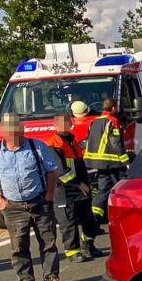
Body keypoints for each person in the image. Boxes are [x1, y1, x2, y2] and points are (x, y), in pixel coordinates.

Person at [0, 113, 69, 281]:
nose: (14, 134)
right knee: (19, 246)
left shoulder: (37, 146)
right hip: (12, 207)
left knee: (48, 242)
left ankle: (52, 277)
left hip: (39, 202)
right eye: (10, 131)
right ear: (3, 133)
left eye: (17, 130)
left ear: (21, 130)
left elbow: (51, 172)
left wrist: (49, 196)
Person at [46, 114, 100, 263]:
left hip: (81, 188)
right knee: (68, 223)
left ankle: (89, 245)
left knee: (88, 219)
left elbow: (80, 164)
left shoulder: (72, 140)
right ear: (56, 125)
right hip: (64, 191)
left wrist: (86, 182)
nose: (66, 126)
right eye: (62, 124)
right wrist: (78, 184)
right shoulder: (53, 143)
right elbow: (60, 171)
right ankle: (73, 252)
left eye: (67, 123)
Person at [83, 97, 129, 229]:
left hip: (96, 163)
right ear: (113, 108)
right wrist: (126, 161)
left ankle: (93, 220)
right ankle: (123, 219)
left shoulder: (94, 121)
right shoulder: (113, 121)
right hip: (112, 163)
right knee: (123, 189)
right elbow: (116, 142)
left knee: (103, 191)